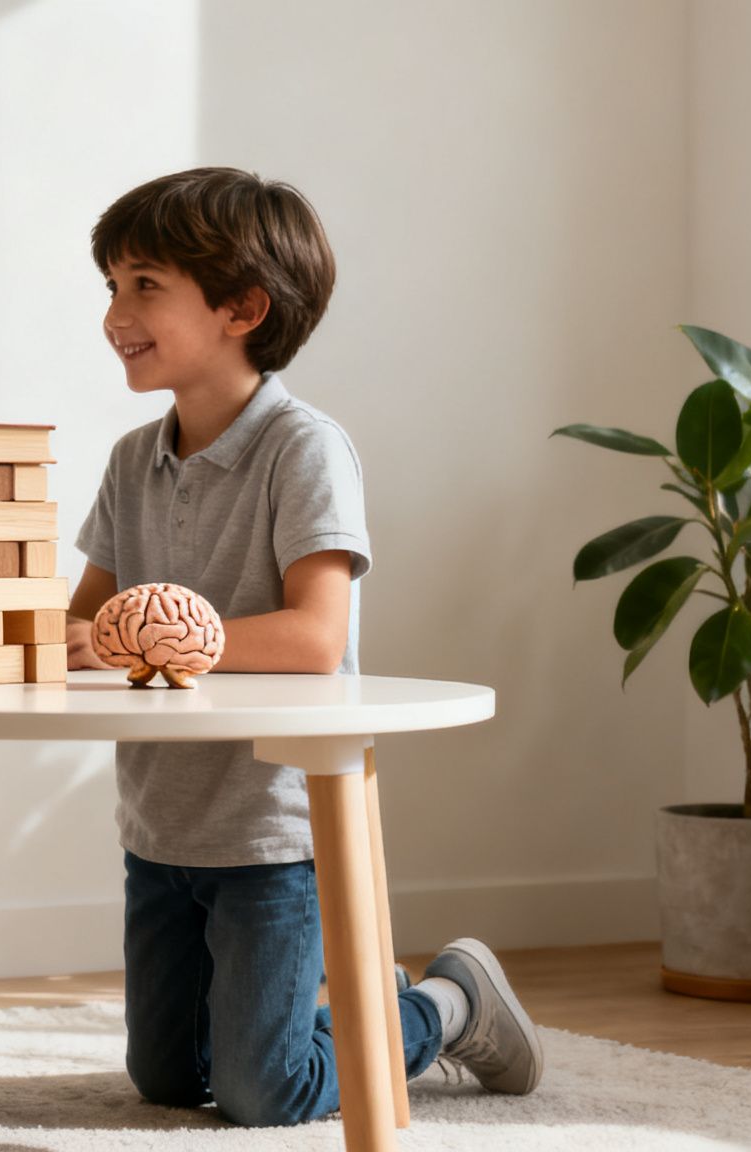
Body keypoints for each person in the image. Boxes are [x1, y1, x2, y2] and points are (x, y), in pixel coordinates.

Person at [63, 167, 543, 1126]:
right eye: (111, 285)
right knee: (165, 1079)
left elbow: (315, 639)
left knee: (261, 1091)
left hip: (271, 828)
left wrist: (150, 644)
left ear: (243, 307)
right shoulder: (131, 461)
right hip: (159, 820)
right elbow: (90, 625)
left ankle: (442, 1007)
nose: (116, 311)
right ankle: (345, 1007)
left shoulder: (304, 449)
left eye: (144, 284)